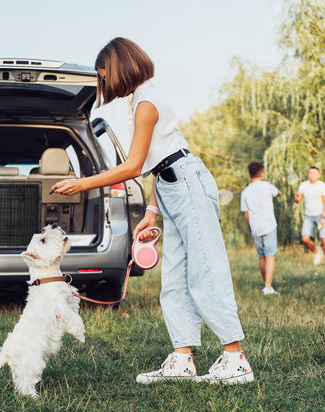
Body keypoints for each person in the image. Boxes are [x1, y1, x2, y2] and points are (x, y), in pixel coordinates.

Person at [51, 37, 253, 385]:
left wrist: (83, 183)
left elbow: (133, 166)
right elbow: (161, 161)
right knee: (174, 279)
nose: (103, 84)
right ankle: (182, 358)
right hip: (171, 185)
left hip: (188, 185)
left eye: (103, 75)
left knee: (205, 271)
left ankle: (236, 359)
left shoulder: (147, 102)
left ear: (118, 68)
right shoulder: (138, 101)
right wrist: (152, 211)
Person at [240, 162, 281, 295]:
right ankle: (268, 287)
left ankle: (266, 286)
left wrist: (250, 229)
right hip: (269, 226)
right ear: (262, 174)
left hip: (255, 228)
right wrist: (278, 193)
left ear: (249, 174)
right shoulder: (267, 186)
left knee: (262, 257)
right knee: (270, 256)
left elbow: (246, 215)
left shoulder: (245, 192)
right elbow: (278, 193)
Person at [294, 167, 325, 265]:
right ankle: (317, 253)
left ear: (319, 175)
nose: (311, 174)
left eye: (314, 173)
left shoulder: (322, 186)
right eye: (310, 173)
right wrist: (297, 199)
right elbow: (299, 200)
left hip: (321, 216)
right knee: (305, 239)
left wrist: (323, 218)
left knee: (324, 240)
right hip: (309, 217)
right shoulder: (303, 185)